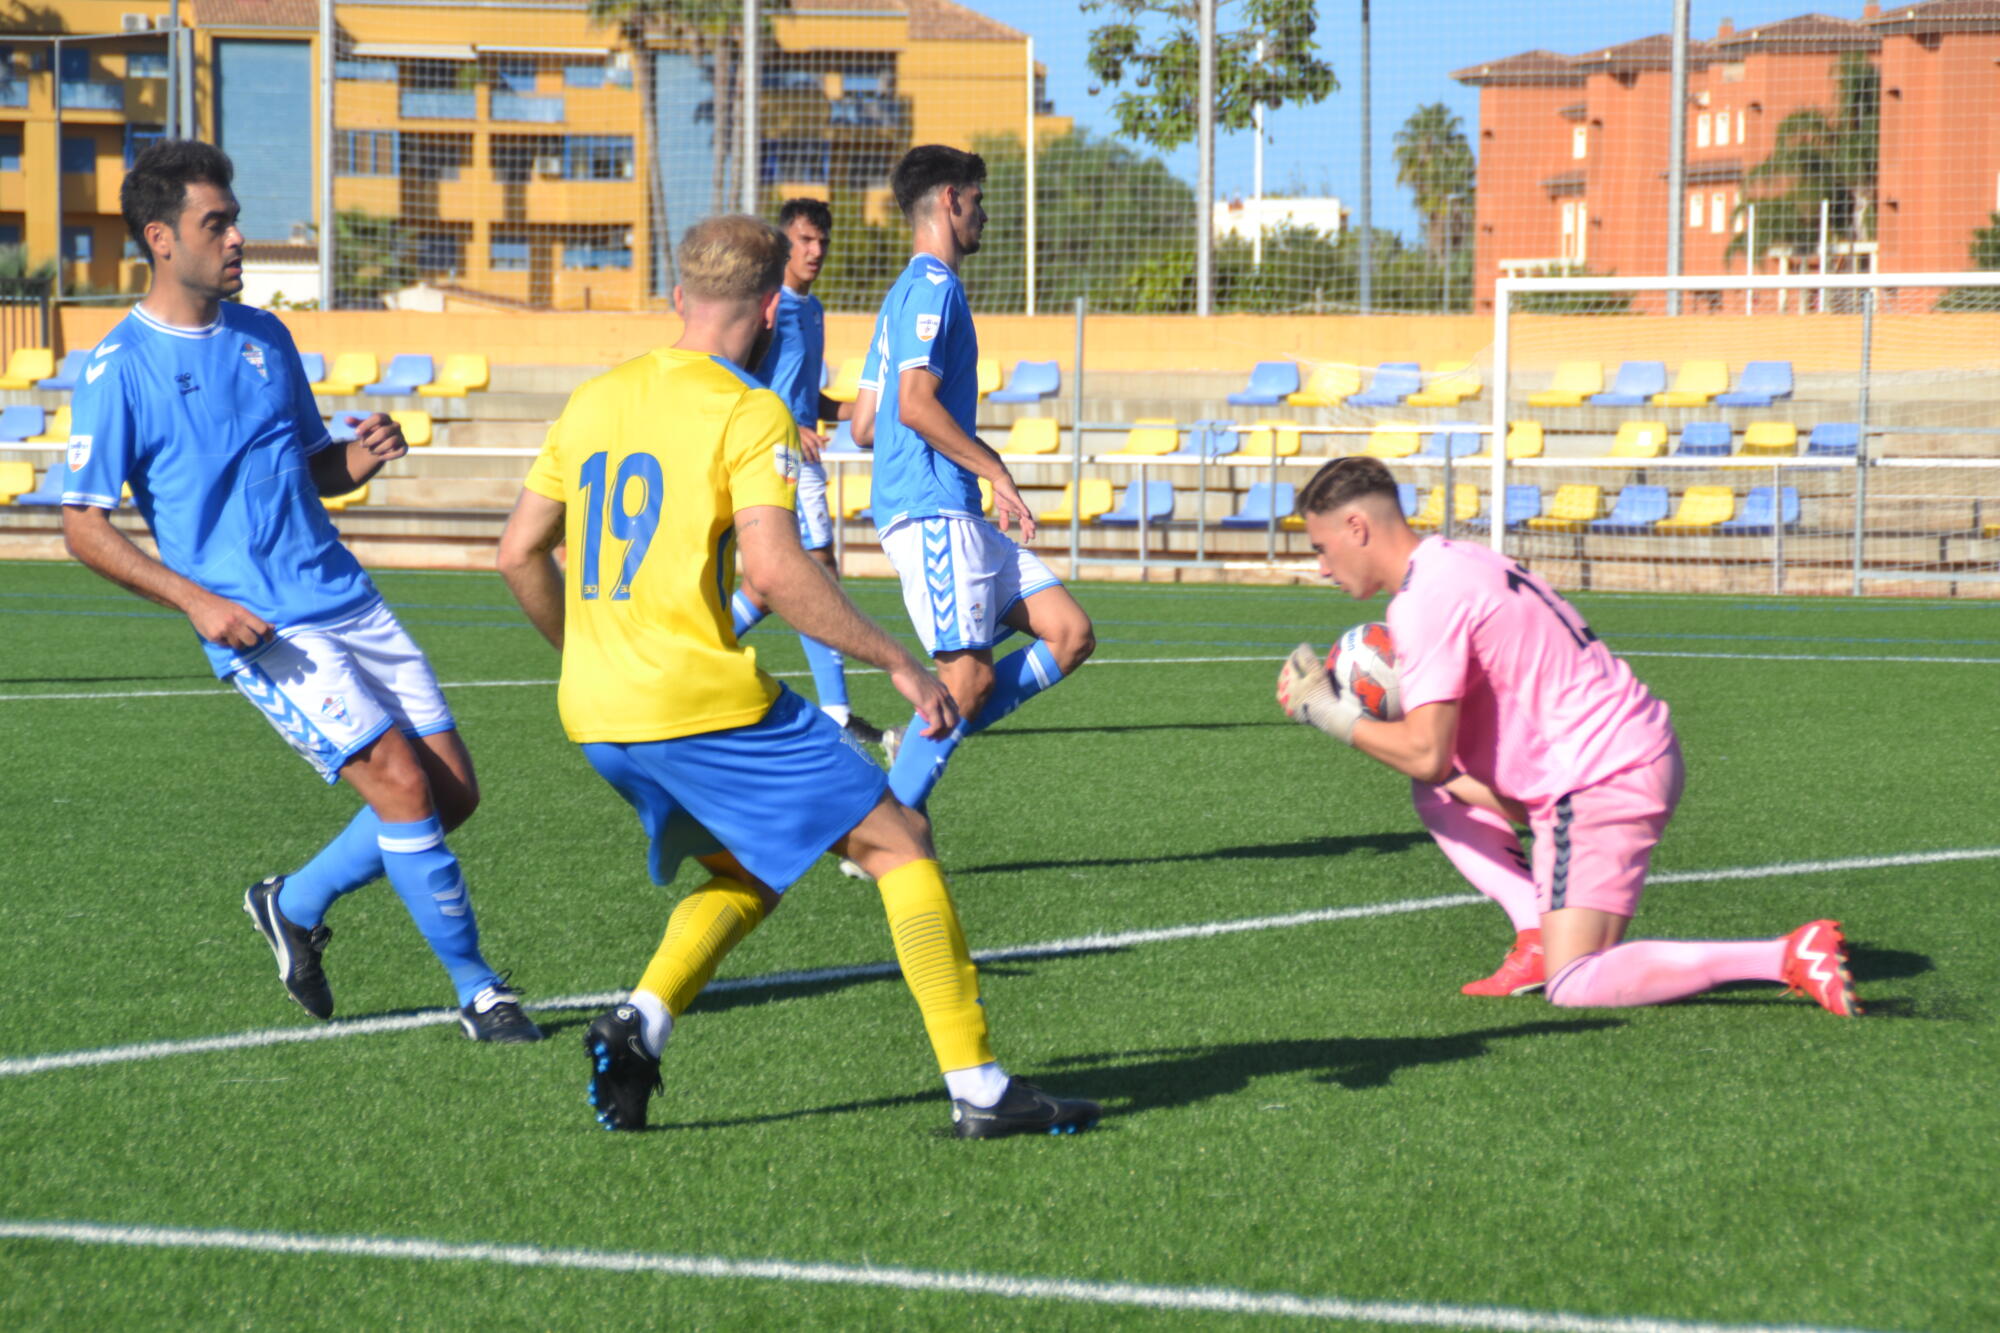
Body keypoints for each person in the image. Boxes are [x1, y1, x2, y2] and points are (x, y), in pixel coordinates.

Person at [495, 213, 1102, 1135]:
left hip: (595, 712)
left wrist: (586, 654)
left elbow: (517, 553)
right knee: (897, 838)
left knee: (755, 864)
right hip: (699, 702)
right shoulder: (751, 409)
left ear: (677, 298)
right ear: (773, 305)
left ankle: (639, 1024)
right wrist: (898, 657)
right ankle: (979, 1088)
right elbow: (777, 572)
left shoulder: (595, 398)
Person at [60, 139, 541, 1041]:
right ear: (162, 239)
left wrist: (360, 456)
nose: (239, 237)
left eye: (234, 218)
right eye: (219, 223)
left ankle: (292, 901)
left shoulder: (265, 336)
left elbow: (313, 469)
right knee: (400, 787)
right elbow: (81, 524)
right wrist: (197, 602)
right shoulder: (117, 366)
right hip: (262, 622)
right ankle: (481, 990)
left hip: (344, 593)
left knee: (452, 795)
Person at [1275, 456, 1861, 1016]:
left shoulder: (1423, 600)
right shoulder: (1460, 559)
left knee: (1576, 982)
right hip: (1621, 754)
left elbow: (1426, 753)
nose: (1323, 566)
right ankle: (1536, 934)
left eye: (1321, 547)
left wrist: (1328, 713)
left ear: (1356, 527)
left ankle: (1785, 955)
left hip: (1598, 778)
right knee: (1436, 793)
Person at [862, 145, 1095, 813]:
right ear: (950, 200)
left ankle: (920, 740)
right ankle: (884, 825)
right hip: (934, 512)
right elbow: (913, 404)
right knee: (967, 681)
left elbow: (866, 424)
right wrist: (995, 469)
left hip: (951, 506)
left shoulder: (900, 299)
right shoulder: (934, 287)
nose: (985, 215)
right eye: (979, 200)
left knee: (1070, 633)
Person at [729, 197, 882, 746]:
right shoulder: (768, 307)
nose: (815, 251)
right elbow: (744, 382)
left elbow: (807, 398)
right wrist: (789, 428)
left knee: (779, 583)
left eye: (823, 242)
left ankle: (694, 652)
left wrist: (871, 411)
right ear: (783, 245)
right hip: (779, 455)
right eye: (805, 241)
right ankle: (838, 713)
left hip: (797, 453)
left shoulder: (812, 310)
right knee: (816, 575)